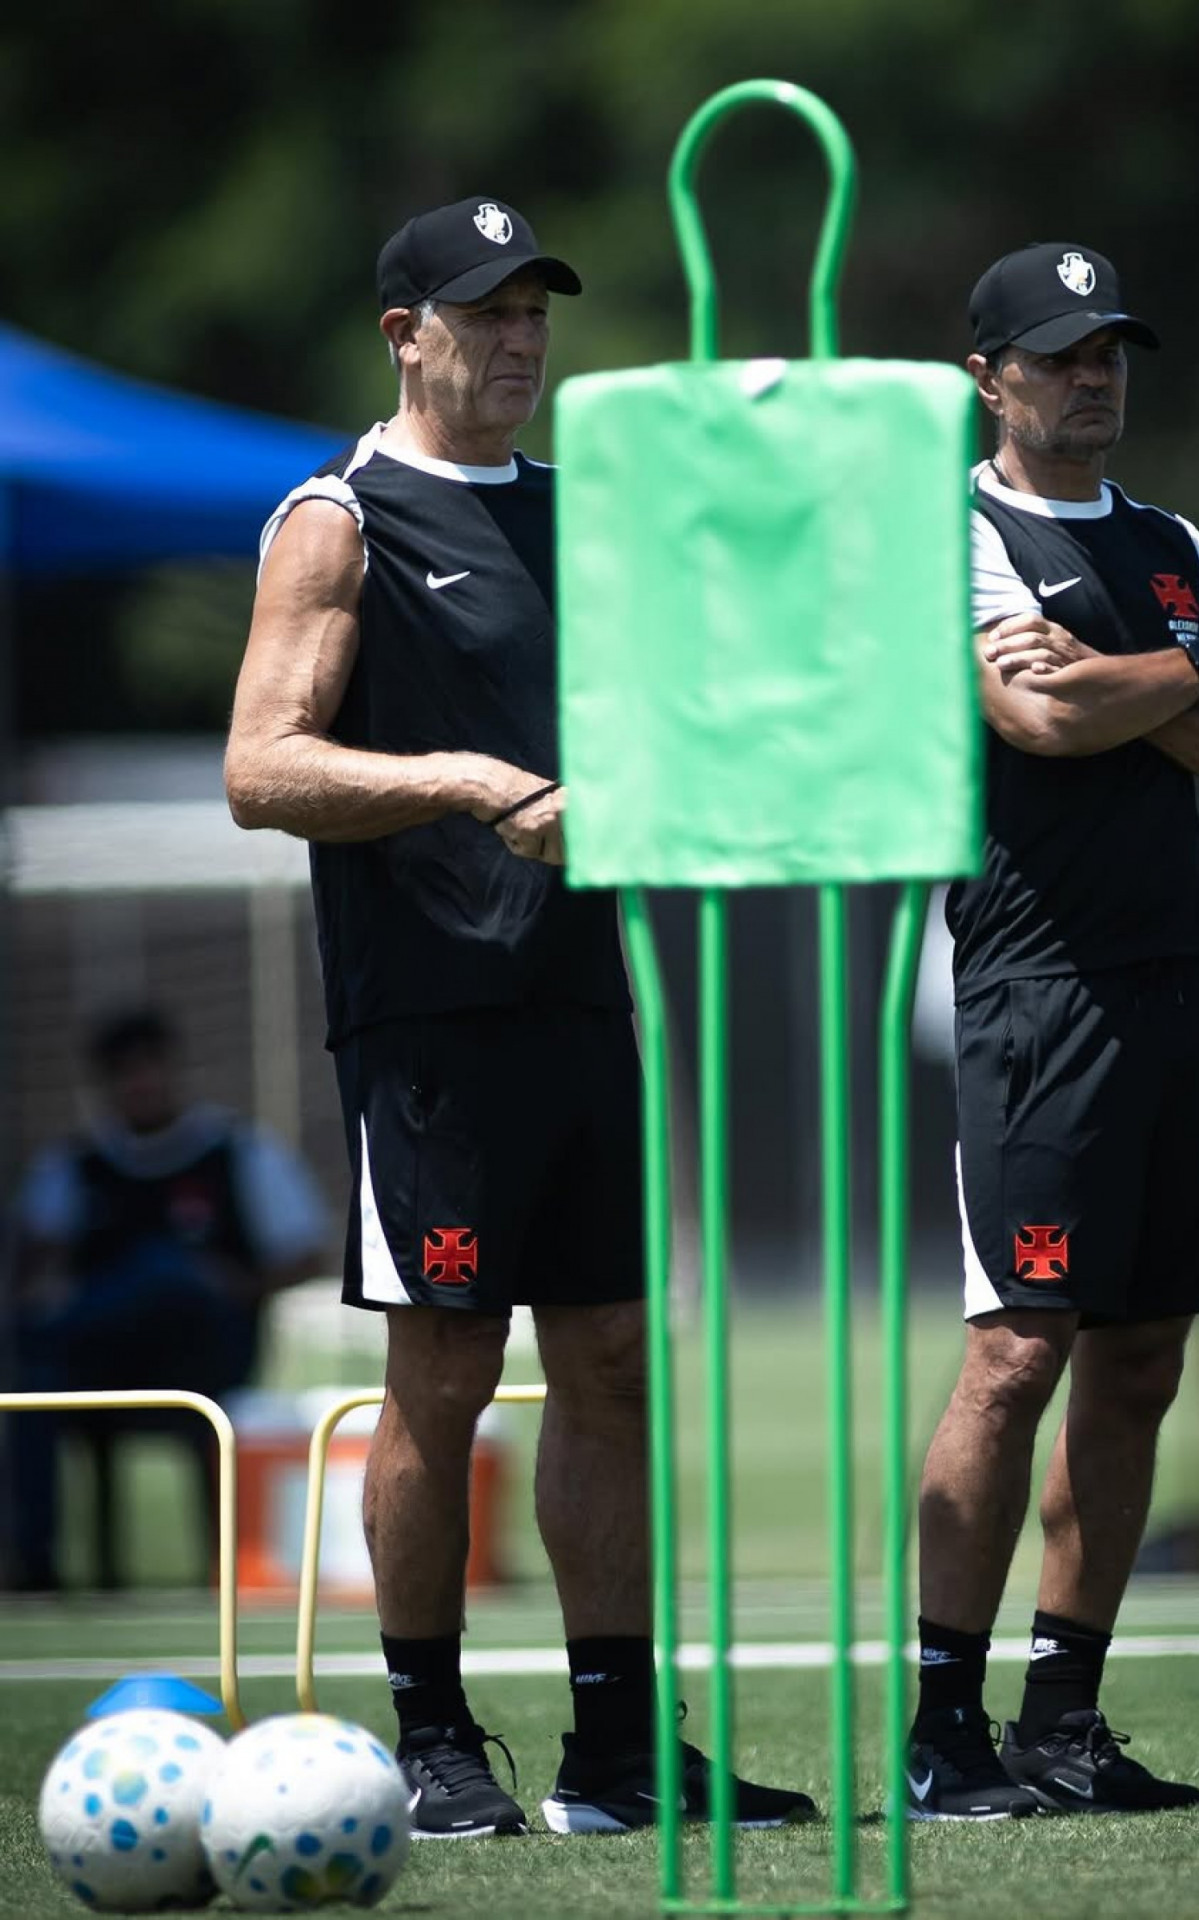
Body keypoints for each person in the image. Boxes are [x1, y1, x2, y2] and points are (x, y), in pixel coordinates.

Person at [224, 194, 812, 1838]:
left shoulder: (577, 514)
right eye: (481, 314)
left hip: (576, 999)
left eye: (534, 312)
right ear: (400, 333)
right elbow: (259, 766)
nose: (518, 341)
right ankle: (430, 1744)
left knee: (613, 1364)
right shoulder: (334, 518)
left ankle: (619, 1760)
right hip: (424, 1020)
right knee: (441, 1375)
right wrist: (464, 785)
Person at [908, 241, 1199, 1819]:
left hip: (1178, 981)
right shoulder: (949, 531)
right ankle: (943, 1727)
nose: (1092, 374)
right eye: (1059, 352)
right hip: (1036, 993)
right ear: (988, 375)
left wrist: (1123, 680)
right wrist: (1158, 688)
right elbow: (1032, 716)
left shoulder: (1169, 543)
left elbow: (1105, 706)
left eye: (1110, 350)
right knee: (1018, 1349)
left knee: (1142, 1357)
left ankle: (1060, 1721)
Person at [8, 1006, 330, 1590]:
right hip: (100, 1365)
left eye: (149, 1068)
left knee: (169, 1275)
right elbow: (35, 1268)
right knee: (35, 1384)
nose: (141, 1084)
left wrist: (233, 1283)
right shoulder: (73, 1167)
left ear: (172, 1070)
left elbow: (305, 1254)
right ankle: (34, 1568)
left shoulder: (239, 1151)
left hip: (206, 1357)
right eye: (124, 1073)